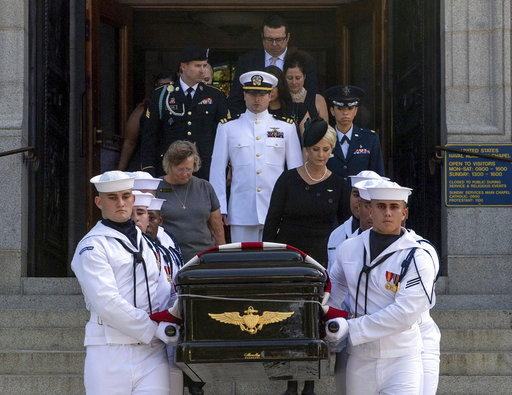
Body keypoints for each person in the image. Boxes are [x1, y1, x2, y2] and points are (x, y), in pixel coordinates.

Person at [71, 170, 179, 395]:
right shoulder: (92, 246)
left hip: (152, 353)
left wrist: (176, 318)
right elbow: (107, 302)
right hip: (109, 351)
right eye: (113, 197)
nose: (121, 203)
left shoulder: (149, 245)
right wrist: (154, 328)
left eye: (126, 196)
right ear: (99, 202)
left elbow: (164, 291)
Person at [324, 180, 437, 395]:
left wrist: (351, 327)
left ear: (404, 213)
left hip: (402, 359)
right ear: (369, 211)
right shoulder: (348, 248)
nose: (387, 213)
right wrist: (326, 318)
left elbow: (404, 314)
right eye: (380, 206)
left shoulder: (417, 256)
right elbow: (334, 289)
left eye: (394, 207)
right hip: (360, 358)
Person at [263, 118, 348, 395]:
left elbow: (346, 227)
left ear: (331, 150)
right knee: (288, 320)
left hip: (321, 262)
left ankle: (310, 382)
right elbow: (271, 222)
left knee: (314, 321)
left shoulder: (339, 184)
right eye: (315, 150)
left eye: (326, 150)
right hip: (288, 260)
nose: (320, 155)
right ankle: (290, 381)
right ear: (306, 150)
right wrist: (271, 260)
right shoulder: (288, 179)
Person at [210, 70, 303, 243]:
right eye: (252, 93)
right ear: (244, 95)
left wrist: (293, 206)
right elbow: (217, 170)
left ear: (270, 95)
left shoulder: (286, 127)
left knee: (273, 265)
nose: (257, 99)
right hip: (241, 211)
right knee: (243, 264)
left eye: (262, 94)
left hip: (277, 209)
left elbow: (295, 172)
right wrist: (220, 207)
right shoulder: (228, 128)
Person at [141, 46, 228, 180]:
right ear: (183, 66)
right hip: (169, 168)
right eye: (197, 66)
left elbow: (224, 135)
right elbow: (149, 136)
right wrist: (148, 170)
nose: (202, 70)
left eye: (204, 66)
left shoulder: (215, 95)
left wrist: (226, 167)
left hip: (204, 170)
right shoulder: (162, 94)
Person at [228, 14, 319, 116]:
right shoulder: (247, 61)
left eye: (279, 39)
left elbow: (312, 97)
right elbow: (236, 98)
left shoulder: (304, 61)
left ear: (287, 37)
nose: (274, 44)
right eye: (269, 39)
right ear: (262, 36)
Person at [157, 140, 225, 262]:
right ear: (169, 165)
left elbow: (217, 230)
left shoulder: (205, 187)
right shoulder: (156, 188)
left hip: (204, 257)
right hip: (171, 257)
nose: (185, 174)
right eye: (180, 169)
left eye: (189, 169)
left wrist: (223, 257)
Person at [327, 170, 389, 269]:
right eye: (356, 195)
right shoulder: (337, 234)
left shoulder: (389, 235)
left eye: (367, 199)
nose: (359, 201)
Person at [324, 85, 385, 184]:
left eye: (350, 108)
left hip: (360, 197)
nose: (345, 113)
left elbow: (378, 177)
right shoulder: (324, 138)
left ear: (355, 110)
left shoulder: (369, 139)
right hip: (331, 196)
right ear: (332, 111)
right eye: (340, 108)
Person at [118, 73, 172, 171]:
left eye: (168, 86)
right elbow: (130, 141)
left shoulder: (181, 109)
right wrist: (119, 171)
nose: (164, 90)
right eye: (160, 86)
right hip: (146, 162)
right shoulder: (143, 108)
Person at [284, 50, 329, 139]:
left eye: (298, 78)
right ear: (284, 77)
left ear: (304, 77)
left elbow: (326, 134)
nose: (294, 82)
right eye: (290, 78)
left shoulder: (318, 100)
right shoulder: (280, 99)